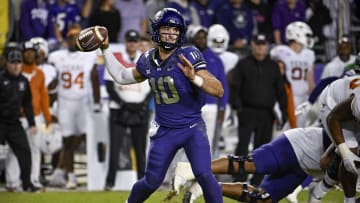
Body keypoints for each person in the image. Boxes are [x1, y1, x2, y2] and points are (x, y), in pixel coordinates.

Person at [99, 8, 224, 202]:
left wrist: (195, 78)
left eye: (176, 30)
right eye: (167, 29)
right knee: (151, 181)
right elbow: (122, 76)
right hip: (165, 130)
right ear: (157, 31)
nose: (172, 34)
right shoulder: (148, 59)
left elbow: (218, 89)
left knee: (204, 174)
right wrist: (105, 49)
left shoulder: (188, 55)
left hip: (192, 127)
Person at [172, 127, 336, 203]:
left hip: (305, 168)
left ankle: (209, 186)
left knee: (262, 199)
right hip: (298, 144)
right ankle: (190, 169)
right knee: (247, 164)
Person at [229, 33, 288, 185]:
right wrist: (237, 106)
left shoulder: (273, 66)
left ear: (267, 47)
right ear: (253, 45)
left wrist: (284, 111)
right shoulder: (243, 64)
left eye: (263, 44)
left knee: (262, 148)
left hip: (266, 113)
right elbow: (234, 86)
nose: (260, 47)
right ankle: (239, 177)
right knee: (242, 145)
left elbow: (281, 91)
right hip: (247, 111)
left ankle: (258, 178)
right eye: (257, 44)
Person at [48, 26, 100, 189]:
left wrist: (97, 103)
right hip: (64, 103)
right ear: (66, 40)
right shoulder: (57, 57)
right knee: (67, 141)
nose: (73, 40)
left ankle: (97, 174)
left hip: (83, 102)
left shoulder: (89, 56)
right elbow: (53, 82)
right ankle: (70, 176)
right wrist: (50, 101)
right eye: (70, 37)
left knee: (88, 138)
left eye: (76, 37)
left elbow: (94, 80)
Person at [103, 29, 151, 190]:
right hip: (119, 108)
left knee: (140, 149)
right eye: (129, 41)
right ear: (125, 42)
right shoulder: (116, 58)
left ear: (138, 43)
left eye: (134, 41)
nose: (132, 44)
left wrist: (143, 104)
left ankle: (142, 182)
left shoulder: (146, 59)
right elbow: (109, 86)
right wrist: (124, 104)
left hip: (140, 109)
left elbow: (153, 85)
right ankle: (109, 183)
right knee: (115, 148)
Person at [308, 75, 360, 203]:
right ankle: (349, 200)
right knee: (351, 154)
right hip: (332, 104)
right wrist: (345, 152)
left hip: (349, 108)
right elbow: (334, 118)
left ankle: (319, 189)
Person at [0, 48, 41, 192]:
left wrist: (32, 123)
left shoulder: (24, 81)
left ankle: (27, 183)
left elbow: (27, 103)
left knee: (25, 151)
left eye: (18, 63)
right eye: (13, 63)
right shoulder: (1, 78)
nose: (16, 66)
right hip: (0, 122)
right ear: (7, 64)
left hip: (14, 123)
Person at [187, 25, 228, 155]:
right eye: (198, 38)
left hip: (210, 105)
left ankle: (204, 172)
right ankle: (186, 171)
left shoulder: (216, 59)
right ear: (192, 39)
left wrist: (222, 108)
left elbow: (223, 85)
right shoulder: (185, 57)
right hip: (191, 105)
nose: (201, 40)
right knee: (188, 140)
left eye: (203, 37)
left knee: (207, 140)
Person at [270, 21, 315, 128]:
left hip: (304, 97)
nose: (308, 38)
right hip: (286, 97)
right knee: (282, 128)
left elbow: (310, 79)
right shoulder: (281, 51)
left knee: (300, 129)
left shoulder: (309, 54)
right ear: (297, 34)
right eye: (306, 35)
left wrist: (311, 98)